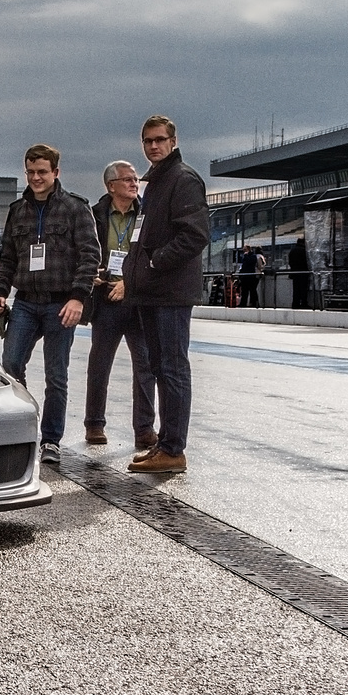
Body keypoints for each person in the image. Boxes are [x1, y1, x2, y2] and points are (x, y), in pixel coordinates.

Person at [0, 143, 99, 465]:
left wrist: (78, 297)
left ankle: (51, 440)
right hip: (24, 302)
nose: (36, 178)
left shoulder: (76, 208)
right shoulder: (17, 210)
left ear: (56, 172)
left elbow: (90, 256)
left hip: (60, 304)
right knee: (9, 367)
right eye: (31, 172)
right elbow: (7, 256)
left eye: (42, 172)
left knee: (57, 375)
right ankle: (23, 425)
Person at [122, 115, 210, 474]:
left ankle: (174, 449)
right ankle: (166, 441)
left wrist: (156, 263)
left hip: (170, 292)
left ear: (173, 141)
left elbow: (195, 235)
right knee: (159, 368)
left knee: (172, 369)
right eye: (147, 141)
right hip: (152, 292)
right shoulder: (155, 183)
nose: (153, 146)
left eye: (159, 140)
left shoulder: (183, 179)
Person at [83, 160, 158, 450]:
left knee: (146, 367)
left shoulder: (147, 214)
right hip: (106, 298)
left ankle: (144, 430)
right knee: (99, 365)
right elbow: (84, 251)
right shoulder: (95, 215)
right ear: (110, 185)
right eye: (126, 179)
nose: (133, 183)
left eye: (135, 179)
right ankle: (94, 425)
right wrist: (91, 273)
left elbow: (152, 254)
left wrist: (131, 282)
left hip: (138, 298)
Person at [288, 237, 311, 309]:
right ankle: (304, 303)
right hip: (303, 272)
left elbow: (290, 262)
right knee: (303, 289)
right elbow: (307, 262)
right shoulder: (304, 251)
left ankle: (295, 304)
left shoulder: (292, 251)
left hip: (294, 272)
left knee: (296, 289)